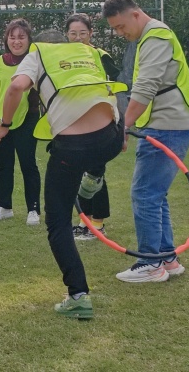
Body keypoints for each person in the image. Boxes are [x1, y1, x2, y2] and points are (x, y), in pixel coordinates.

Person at [0, 31, 125, 319]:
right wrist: (122, 133)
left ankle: (78, 296)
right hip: (110, 138)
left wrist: (5, 124)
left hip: (72, 148)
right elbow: (117, 87)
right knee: (96, 152)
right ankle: (94, 176)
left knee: (58, 223)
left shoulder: (38, 54)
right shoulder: (89, 51)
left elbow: (16, 87)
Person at [103, 0, 189, 283]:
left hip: (166, 126)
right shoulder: (150, 37)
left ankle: (150, 263)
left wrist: (122, 127)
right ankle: (167, 258)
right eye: (115, 29)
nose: (120, 33)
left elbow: (145, 88)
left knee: (145, 193)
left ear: (135, 14)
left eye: (121, 26)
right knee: (155, 194)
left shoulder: (155, 36)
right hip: (168, 125)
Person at [0, 18, 41, 225]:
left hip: (27, 119)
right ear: (6, 40)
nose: (16, 41)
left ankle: (33, 209)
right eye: (12, 37)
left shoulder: (35, 61)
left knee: (28, 164)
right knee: (4, 165)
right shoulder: (0, 62)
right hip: (1, 121)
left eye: (21, 37)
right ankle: (4, 206)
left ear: (29, 40)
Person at [65, 13, 120, 240]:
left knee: (95, 173)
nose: (78, 37)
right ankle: (84, 220)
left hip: (99, 121)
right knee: (78, 172)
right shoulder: (62, 58)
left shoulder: (101, 56)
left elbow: (117, 84)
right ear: (67, 35)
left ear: (91, 33)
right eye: (73, 33)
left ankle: (98, 222)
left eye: (82, 33)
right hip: (73, 121)